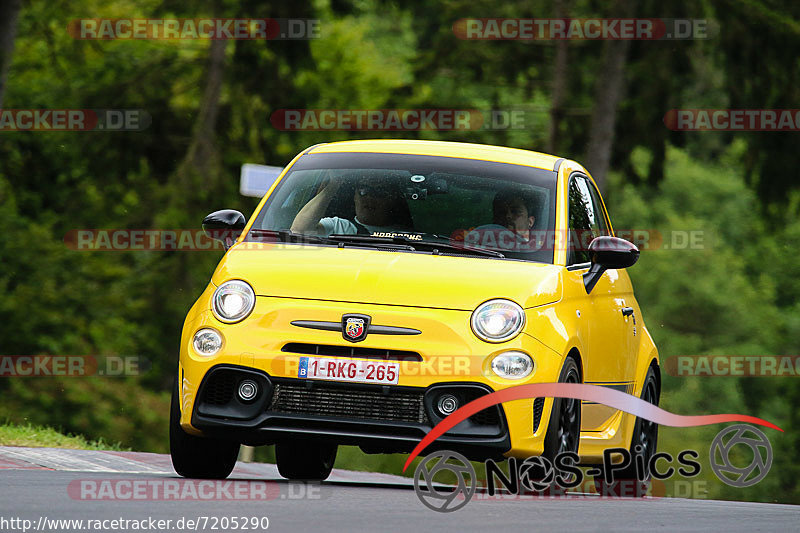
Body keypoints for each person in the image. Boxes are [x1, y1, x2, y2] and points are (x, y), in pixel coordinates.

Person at [290, 176, 410, 235]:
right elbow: (299, 230)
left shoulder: (409, 237)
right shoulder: (339, 226)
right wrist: (334, 184)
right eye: (363, 191)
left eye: (379, 192)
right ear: (354, 197)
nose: (369, 197)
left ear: (392, 200)